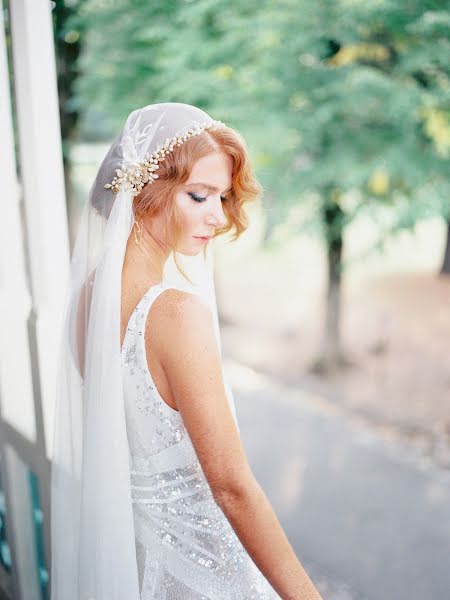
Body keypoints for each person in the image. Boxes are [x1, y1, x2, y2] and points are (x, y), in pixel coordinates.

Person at [50, 102, 323, 600]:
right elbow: (231, 488)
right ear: (146, 189)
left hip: (136, 568)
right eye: (200, 196)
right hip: (207, 580)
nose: (218, 217)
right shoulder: (175, 313)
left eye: (222, 197)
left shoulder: (85, 301)